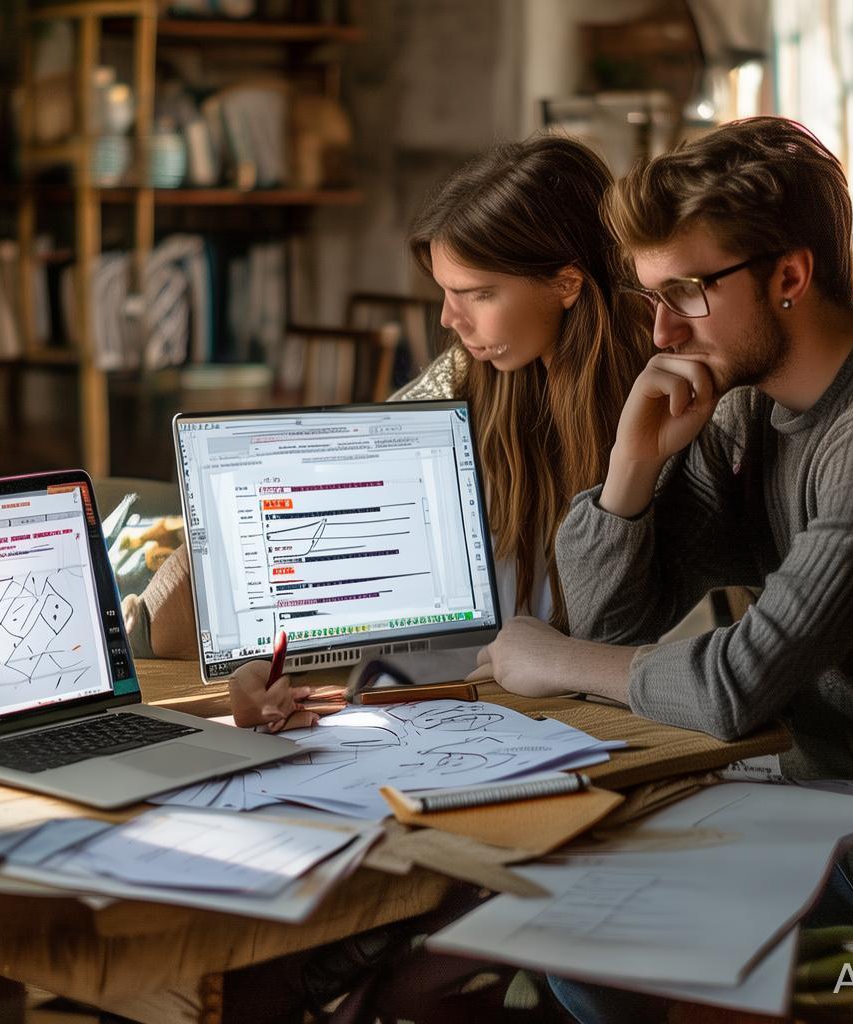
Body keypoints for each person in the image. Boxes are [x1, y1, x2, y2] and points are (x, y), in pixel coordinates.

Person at [474, 116, 853, 983]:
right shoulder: (742, 405)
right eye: (651, 299)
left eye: (686, 293)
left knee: (572, 938)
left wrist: (555, 657)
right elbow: (624, 618)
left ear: (790, 275)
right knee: (512, 889)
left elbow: (734, 684)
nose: (662, 335)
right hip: (813, 790)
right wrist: (630, 467)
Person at [122, 134, 652, 732]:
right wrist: (276, 667)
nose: (450, 320)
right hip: (453, 715)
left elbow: (640, 631)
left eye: (479, 293)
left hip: (594, 719)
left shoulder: (662, 408)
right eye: (446, 293)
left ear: (567, 282)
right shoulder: (467, 382)